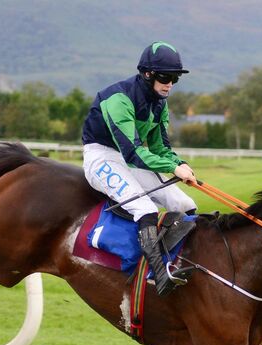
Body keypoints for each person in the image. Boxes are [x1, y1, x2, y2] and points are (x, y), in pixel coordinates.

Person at [82, 41, 197, 296]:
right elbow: (132, 152)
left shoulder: (160, 103)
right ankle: (156, 275)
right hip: (101, 157)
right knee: (146, 207)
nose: (170, 84)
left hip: (128, 160)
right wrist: (172, 169)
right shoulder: (118, 99)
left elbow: (160, 149)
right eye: (165, 77)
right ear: (147, 74)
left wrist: (180, 164)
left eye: (175, 79)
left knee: (185, 204)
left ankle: (181, 264)